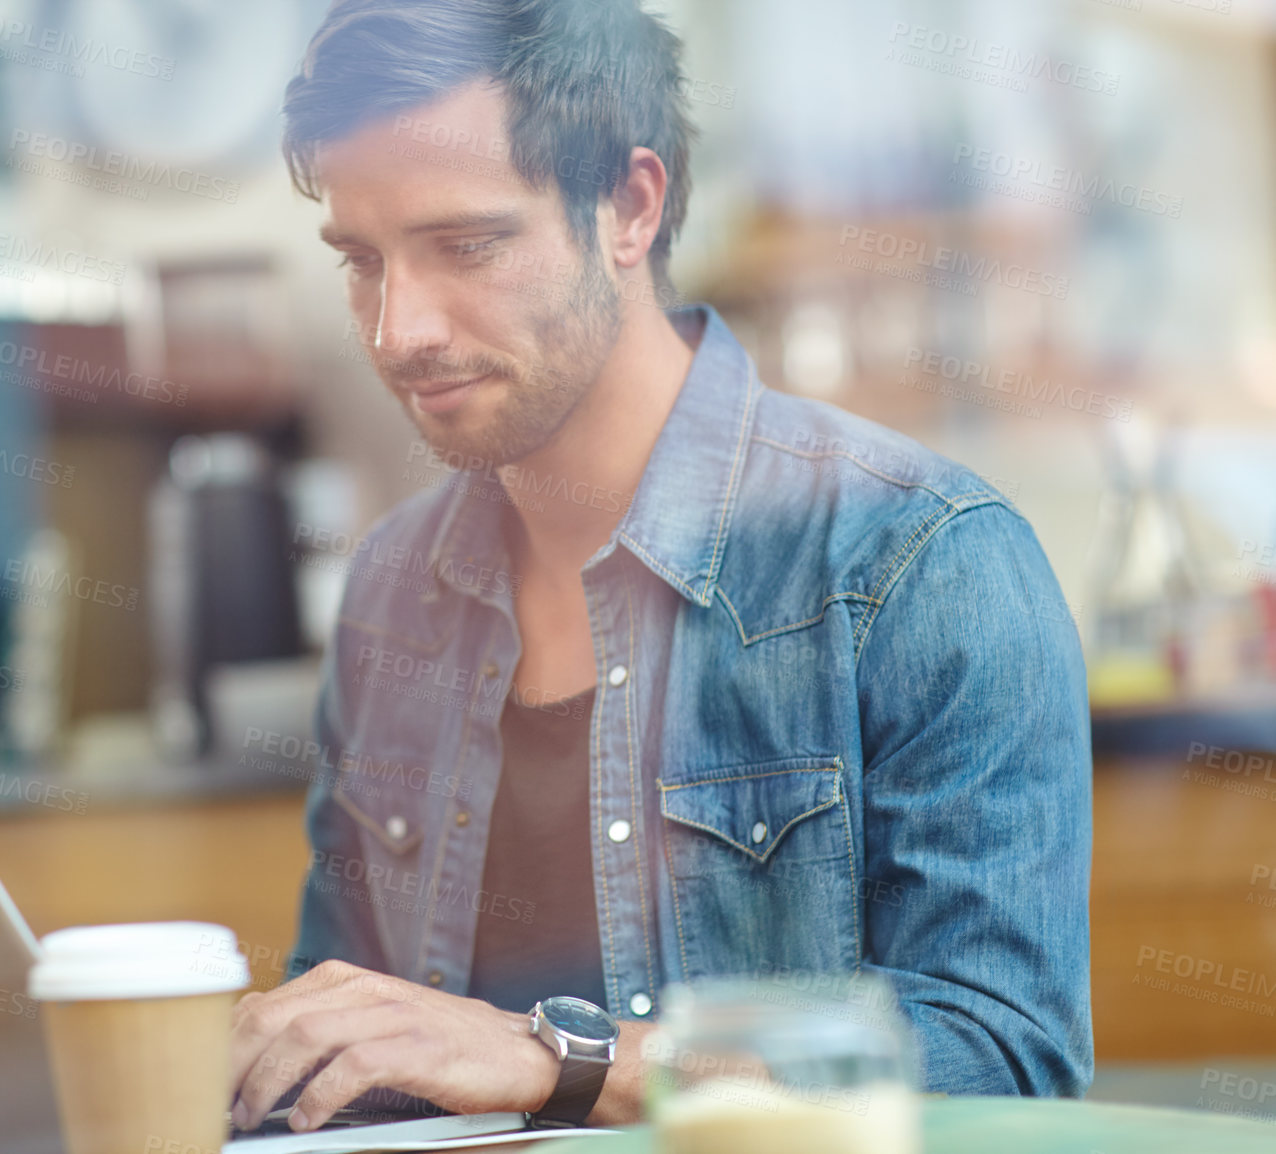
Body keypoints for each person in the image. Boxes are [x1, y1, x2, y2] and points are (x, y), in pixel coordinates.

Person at [228, 0, 1093, 1131]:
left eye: (466, 246)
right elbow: (355, 1047)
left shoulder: (921, 557)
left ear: (629, 205)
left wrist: (558, 1055)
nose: (399, 331)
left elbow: (1003, 1059)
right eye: (361, 260)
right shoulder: (395, 583)